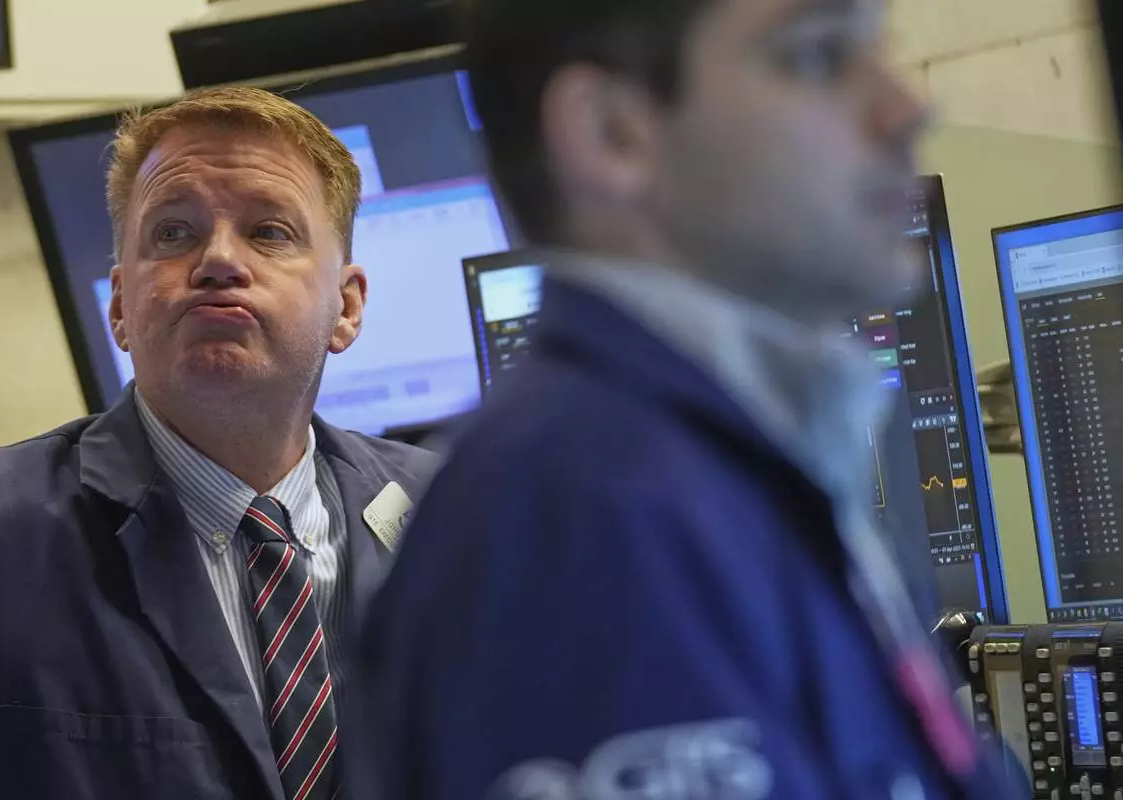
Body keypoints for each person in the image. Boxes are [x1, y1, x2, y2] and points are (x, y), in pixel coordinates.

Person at [360, 1, 1023, 798]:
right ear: (613, 134)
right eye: (817, 56)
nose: (907, 106)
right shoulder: (585, 514)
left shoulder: (733, 470)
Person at [0, 87, 438, 799]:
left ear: (345, 307)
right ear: (121, 308)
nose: (218, 261)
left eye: (269, 232)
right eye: (173, 234)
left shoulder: (456, 517)